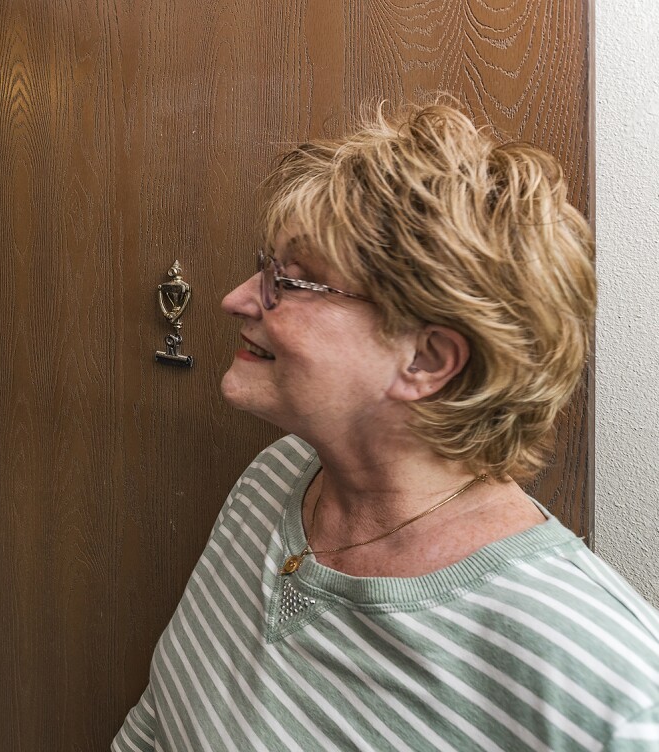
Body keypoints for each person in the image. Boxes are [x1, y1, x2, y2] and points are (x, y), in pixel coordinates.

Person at [113, 103, 659, 751]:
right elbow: (163, 724)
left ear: (426, 359)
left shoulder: (606, 696)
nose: (236, 299)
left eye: (291, 280)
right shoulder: (278, 479)